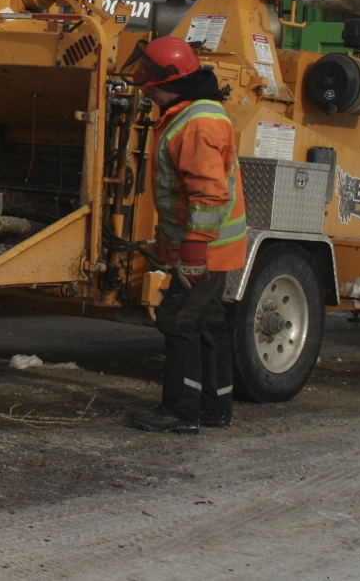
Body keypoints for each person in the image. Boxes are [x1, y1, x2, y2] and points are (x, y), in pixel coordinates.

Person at [126, 36, 246, 435]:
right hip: (216, 250)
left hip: (203, 251)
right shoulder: (195, 113)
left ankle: (181, 412)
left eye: (149, 79)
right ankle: (215, 408)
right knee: (209, 324)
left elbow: (209, 194)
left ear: (169, 80)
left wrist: (193, 251)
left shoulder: (194, 124)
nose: (146, 85)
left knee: (178, 320)